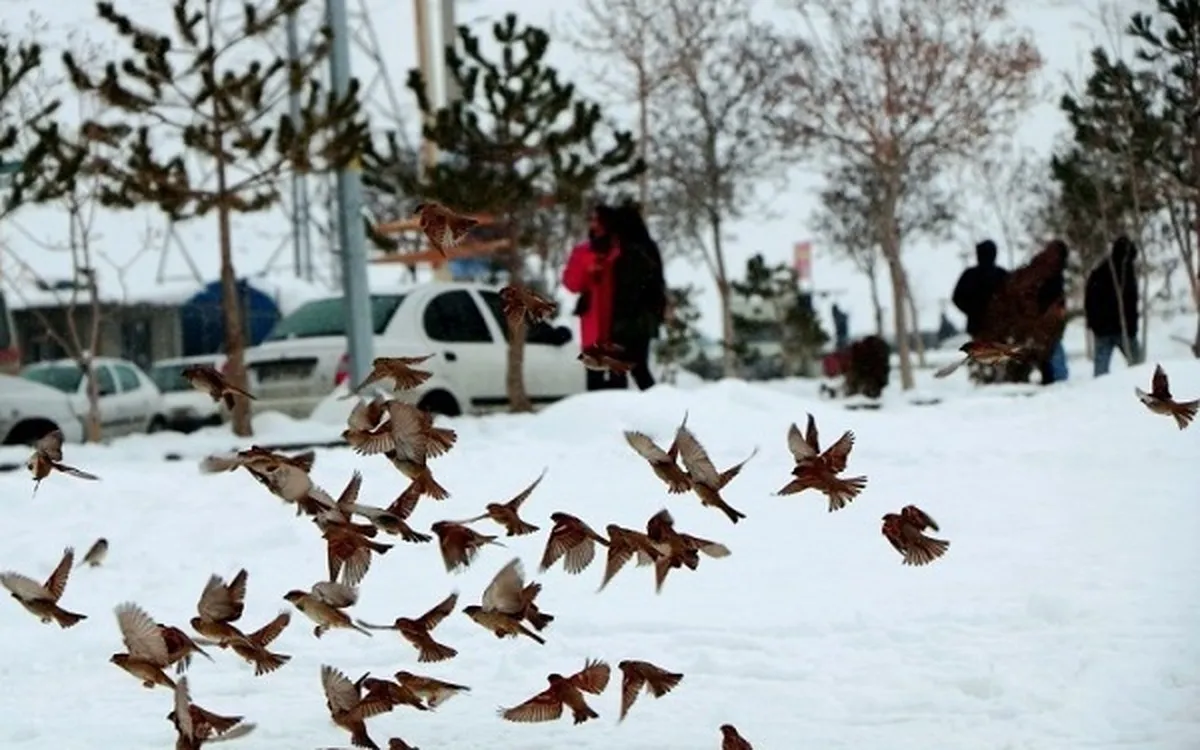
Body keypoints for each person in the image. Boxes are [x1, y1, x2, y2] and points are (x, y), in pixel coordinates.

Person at [607, 201, 667, 390]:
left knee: (624, 367)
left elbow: (630, 287)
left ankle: (623, 408)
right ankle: (654, 403)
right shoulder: (648, 247)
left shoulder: (631, 251)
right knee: (638, 367)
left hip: (630, 319)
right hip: (645, 318)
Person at [562, 204, 623, 391]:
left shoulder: (621, 250)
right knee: (594, 382)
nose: (594, 225)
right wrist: (587, 271)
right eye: (592, 220)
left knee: (618, 381)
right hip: (592, 325)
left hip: (617, 323)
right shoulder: (583, 252)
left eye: (598, 220)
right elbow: (571, 283)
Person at [1085, 235, 1141, 377]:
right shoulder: (1117, 272)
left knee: (1102, 371)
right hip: (1114, 329)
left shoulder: (1101, 272)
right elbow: (1130, 301)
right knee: (1139, 367)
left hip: (1113, 329)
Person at [951, 240, 1009, 338]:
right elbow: (957, 298)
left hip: (991, 327)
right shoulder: (1002, 274)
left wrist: (972, 312)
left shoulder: (970, 275)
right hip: (990, 327)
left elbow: (957, 298)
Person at [1035, 239, 1070, 385]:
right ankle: (1058, 378)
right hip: (1048, 317)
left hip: (1041, 317)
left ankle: (1051, 377)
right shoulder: (1054, 273)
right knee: (1053, 347)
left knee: (1048, 349)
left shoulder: (1041, 269)